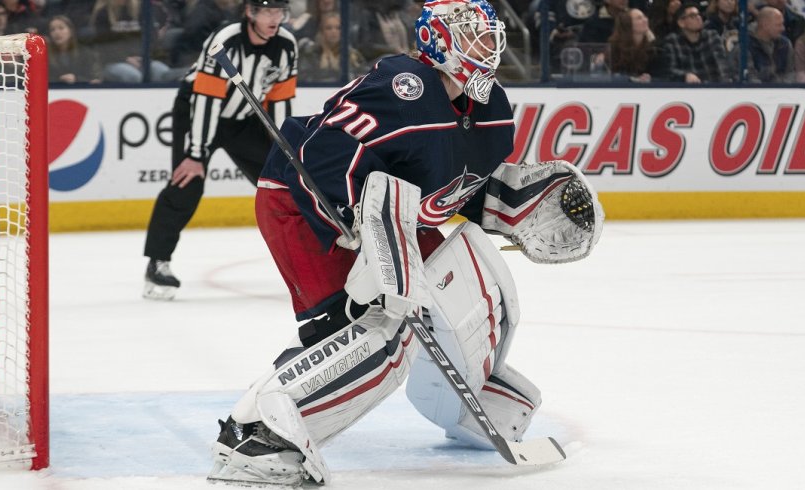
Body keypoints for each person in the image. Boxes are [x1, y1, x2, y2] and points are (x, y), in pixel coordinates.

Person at [205, 0, 603, 486]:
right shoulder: (401, 87)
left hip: (396, 211)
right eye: (472, 34)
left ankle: (467, 401)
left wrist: (513, 204)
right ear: (438, 41)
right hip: (306, 204)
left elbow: (460, 186)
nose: (488, 45)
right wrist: (355, 225)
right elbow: (320, 155)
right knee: (376, 329)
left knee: (476, 280)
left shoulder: (494, 108)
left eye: (488, 34)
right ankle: (262, 433)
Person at [142, 0, 297, 300]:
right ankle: (157, 264)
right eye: (266, 11)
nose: (274, 18)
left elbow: (280, 101)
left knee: (282, 184)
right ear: (250, 13)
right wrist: (196, 154)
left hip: (243, 119)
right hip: (196, 111)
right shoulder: (225, 41)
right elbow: (206, 99)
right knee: (187, 182)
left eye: (279, 11)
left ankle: (306, 261)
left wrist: (283, 152)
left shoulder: (287, 45)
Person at [661, 2, 730, 82]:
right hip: (688, 90)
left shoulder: (712, 36)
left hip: (714, 88)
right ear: (681, 23)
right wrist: (685, 76)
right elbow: (670, 70)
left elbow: (722, 65)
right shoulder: (673, 41)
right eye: (693, 16)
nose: (698, 18)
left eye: (699, 15)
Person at [300, 12, 366, 81]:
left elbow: (363, 77)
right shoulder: (311, 54)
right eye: (329, 28)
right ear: (322, 31)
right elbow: (304, 78)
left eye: (338, 28)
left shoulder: (353, 55)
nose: (334, 31)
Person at [607, 8, 661, 81]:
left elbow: (661, 76)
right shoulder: (615, 48)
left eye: (644, 16)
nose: (645, 20)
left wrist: (650, 78)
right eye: (639, 18)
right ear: (628, 23)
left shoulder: (654, 49)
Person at [47, 15, 103, 84]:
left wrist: (77, 79)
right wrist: (59, 80)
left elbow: (94, 78)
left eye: (61, 28)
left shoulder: (84, 52)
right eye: (52, 30)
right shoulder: (45, 55)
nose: (57, 32)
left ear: (70, 31)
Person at [746, 6, 794, 82]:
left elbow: (790, 74)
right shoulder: (745, 47)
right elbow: (749, 79)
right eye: (778, 25)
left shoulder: (785, 45)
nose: (783, 28)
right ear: (765, 25)